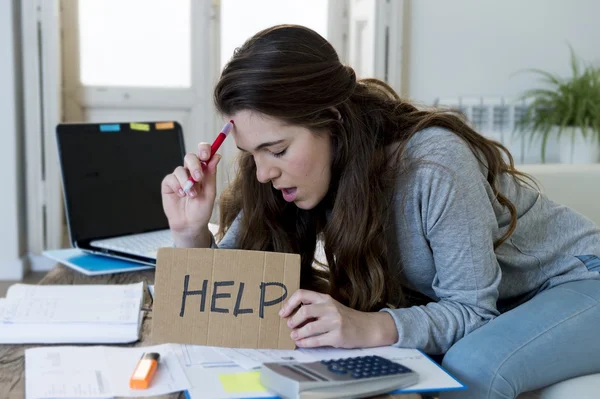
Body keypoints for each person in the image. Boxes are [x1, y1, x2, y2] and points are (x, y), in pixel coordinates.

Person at [161, 25, 600, 399]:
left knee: (474, 363)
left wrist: (367, 327)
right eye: (251, 153)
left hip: (575, 282)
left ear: (332, 120)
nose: (262, 173)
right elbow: (223, 303)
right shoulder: (286, 176)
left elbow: (472, 312)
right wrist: (189, 230)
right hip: (504, 304)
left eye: (276, 149)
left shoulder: (434, 162)